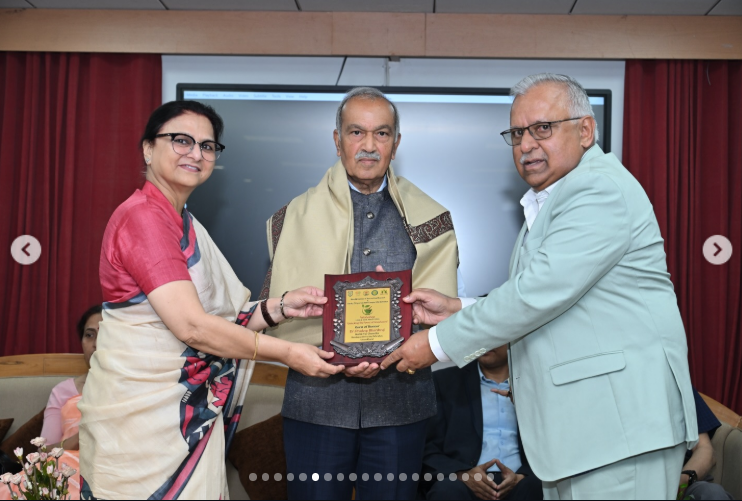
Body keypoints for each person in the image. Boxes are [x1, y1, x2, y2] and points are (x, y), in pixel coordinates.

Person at [382, 73, 698, 500]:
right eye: (517, 133)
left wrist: (436, 344)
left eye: (542, 128)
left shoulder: (598, 190)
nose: (526, 144)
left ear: (585, 130)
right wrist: (458, 308)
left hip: (619, 432)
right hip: (585, 435)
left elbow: (534, 296)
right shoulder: (554, 200)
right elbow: (550, 297)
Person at [78, 100, 344, 500]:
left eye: (207, 146)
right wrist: (289, 353)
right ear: (148, 148)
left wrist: (279, 307)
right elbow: (192, 327)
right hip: (139, 425)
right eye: (181, 140)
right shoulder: (143, 218)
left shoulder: (184, 223)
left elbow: (218, 320)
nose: (196, 153)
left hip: (181, 420)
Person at [262, 87, 460, 500]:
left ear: (396, 143)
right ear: (337, 141)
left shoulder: (431, 219)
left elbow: (442, 311)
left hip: (400, 406)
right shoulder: (291, 218)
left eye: (381, 134)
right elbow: (276, 309)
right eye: (356, 132)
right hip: (315, 405)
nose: (369, 145)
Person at [0, 305, 101, 501]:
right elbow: (44, 451)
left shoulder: (134, 388)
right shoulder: (63, 391)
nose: (96, 343)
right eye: (89, 335)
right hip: (66, 469)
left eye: (105, 334)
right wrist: (79, 437)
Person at [422, 345, 542, 501]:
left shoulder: (536, 382)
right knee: (447, 490)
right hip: (463, 481)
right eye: (482, 335)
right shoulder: (443, 382)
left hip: (521, 481)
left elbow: (554, 444)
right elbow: (428, 448)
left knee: (536, 486)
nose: (486, 342)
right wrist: (462, 474)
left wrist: (523, 476)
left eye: (494, 335)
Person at [676, 389, 733, 500]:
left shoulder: (679, 386)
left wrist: (683, 480)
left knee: (713, 493)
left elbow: (704, 449)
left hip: (682, 479)